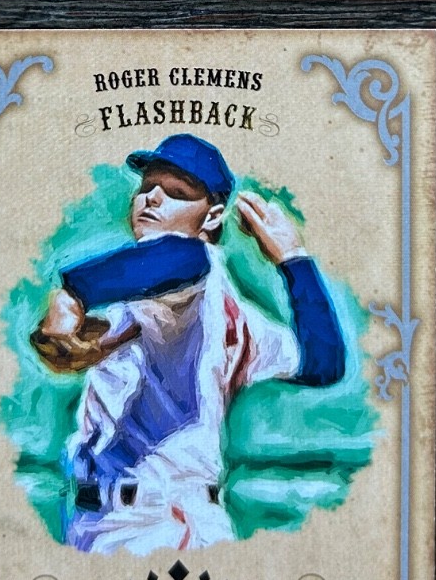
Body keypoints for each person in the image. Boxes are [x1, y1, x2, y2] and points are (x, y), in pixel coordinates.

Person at [30, 135, 347, 555]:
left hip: (156, 525)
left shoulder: (191, 270)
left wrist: (74, 294)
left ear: (212, 216)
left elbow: (180, 259)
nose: (152, 198)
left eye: (176, 192)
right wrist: (294, 262)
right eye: (147, 187)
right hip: (123, 519)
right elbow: (321, 361)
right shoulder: (223, 307)